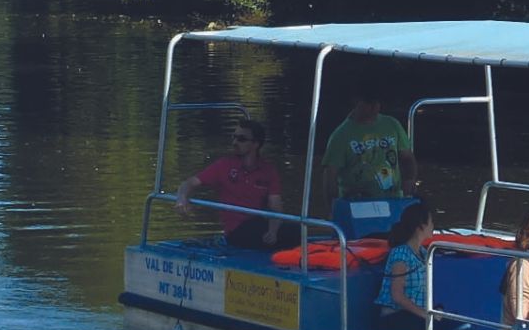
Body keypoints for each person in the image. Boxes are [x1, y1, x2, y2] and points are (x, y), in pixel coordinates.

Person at [175, 119, 299, 251]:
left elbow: (276, 207)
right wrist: (181, 197)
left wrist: (273, 231)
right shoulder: (224, 165)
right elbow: (189, 183)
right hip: (236, 229)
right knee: (256, 232)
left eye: (241, 139)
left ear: (255, 144)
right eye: (234, 137)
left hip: (258, 223)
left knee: (296, 231)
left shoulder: (268, 171)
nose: (235, 142)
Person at [375, 201, 471, 330]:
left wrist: (433, 312)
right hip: (394, 318)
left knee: (460, 323)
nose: (433, 226)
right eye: (431, 222)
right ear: (421, 226)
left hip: (414, 315)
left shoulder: (424, 253)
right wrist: (426, 314)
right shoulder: (401, 253)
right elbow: (397, 295)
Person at [318, 85, 418, 204]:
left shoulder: (392, 125)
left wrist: (409, 180)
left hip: (392, 200)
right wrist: (333, 208)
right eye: (369, 103)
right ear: (356, 102)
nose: (374, 108)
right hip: (356, 204)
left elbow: (407, 158)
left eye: (377, 103)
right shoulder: (340, 136)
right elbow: (330, 175)